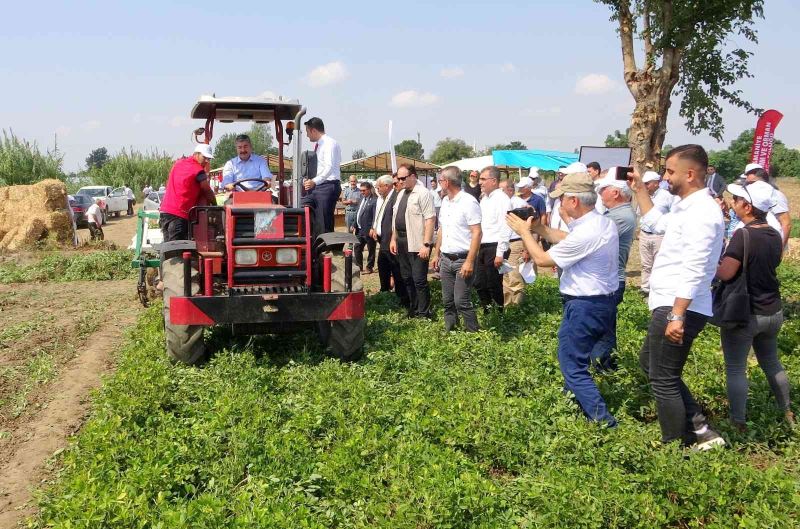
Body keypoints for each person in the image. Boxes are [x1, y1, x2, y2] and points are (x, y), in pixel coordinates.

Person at [630, 144, 726, 449]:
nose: (665, 177)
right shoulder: (686, 207)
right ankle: (698, 426)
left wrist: (677, 313)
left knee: (664, 378)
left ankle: (677, 445)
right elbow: (655, 223)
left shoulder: (702, 212)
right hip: (672, 302)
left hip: (678, 304)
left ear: (691, 173)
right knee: (651, 363)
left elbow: (696, 265)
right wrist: (639, 191)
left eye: (670, 171)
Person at [506, 171, 619, 426]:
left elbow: (543, 260)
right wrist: (539, 228)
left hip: (584, 306)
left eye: (562, 198)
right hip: (602, 303)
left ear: (574, 201)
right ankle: (574, 406)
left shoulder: (587, 231)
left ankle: (604, 421)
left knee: (573, 365)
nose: (560, 203)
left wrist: (525, 233)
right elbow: (568, 239)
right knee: (584, 359)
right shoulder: (601, 223)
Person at [716, 181, 793, 431]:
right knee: (772, 363)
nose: (733, 203)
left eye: (737, 200)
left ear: (747, 207)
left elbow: (726, 274)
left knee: (736, 368)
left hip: (745, 314)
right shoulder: (773, 232)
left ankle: (738, 422)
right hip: (773, 311)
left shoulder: (743, 234)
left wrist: (709, 266)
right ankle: (787, 412)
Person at [591, 169, 637, 371]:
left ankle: (605, 371)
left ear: (616, 193)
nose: (600, 194)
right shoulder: (616, 214)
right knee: (602, 329)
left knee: (602, 332)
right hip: (606, 280)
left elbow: (590, 239)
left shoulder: (620, 217)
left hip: (609, 282)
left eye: (603, 190)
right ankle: (605, 369)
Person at [431, 166, 482, 332]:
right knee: (448, 301)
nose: (439, 184)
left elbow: (477, 233)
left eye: (440, 180)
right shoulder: (445, 202)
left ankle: (474, 335)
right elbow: (442, 230)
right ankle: (451, 331)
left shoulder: (468, 202)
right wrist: (436, 253)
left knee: (461, 300)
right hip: (446, 259)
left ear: (446, 182)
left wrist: (469, 261)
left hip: (462, 259)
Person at [390, 164, 436, 318]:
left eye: (403, 178)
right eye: (399, 178)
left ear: (413, 176)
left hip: (417, 243)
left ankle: (424, 312)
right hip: (402, 240)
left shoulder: (423, 193)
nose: (400, 181)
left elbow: (430, 219)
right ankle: (414, 308)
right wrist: (393, 239)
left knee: (419, 280)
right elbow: (396, 219)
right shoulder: (401, 193)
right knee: (407, 278)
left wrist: (426, 244)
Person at [159, 144, 217, 242]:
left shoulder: (178, 163)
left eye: (209, 159)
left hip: (165, 211)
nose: (207, 161)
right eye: (205, 157)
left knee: (167, 247)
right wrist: (215, 205)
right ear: (197, 154)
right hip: (179, 214)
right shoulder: (198, 170)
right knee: (177, 249)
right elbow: (206, 190)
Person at [475, 166, 511, 312]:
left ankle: (499, 314)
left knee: (493, 283)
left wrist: (500, 253)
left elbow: (505, 227)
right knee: (479, 282)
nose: (480, 182)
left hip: (494, 246)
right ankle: (487, 311)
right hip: (482, 246)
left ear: (494, 181)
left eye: (483, 179)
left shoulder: (502, 199)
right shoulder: (484, 199)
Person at [371, 174, 409, 307]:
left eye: (379, 187)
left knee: (396, 269)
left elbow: (394, 221)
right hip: (383, 240)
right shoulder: (385, 198)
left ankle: (401, 297)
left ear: (386, 186)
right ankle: (385, 291)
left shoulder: (395, 197)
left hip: (390, 241)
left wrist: (392, 238)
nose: (378, 189)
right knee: (382, 265)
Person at [302, 117, 342, 233]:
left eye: (307, 132)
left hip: (327, 186)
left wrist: (314, 181)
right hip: (318, 186)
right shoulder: (320, 145)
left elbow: (329, 167)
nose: (307, 136)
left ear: (313, 130)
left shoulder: (329, 144)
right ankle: (312, 244)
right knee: (303, 209)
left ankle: (326, 249)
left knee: (324, 221)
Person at [639, 170, 675, 295]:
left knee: (658, 263)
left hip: (659, 235)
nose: (646, 186)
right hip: (645, 233)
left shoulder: (667, 196)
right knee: (645, 263)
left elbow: (673, 214)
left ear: (656, 183)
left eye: (648, 184)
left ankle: (657, 288)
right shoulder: (644, 195)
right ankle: (645, 288)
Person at [745, 166, 791, 248]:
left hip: (770, 244)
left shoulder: (776, 195)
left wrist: (780, 249)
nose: (748, 186)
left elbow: (786, 223)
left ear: (764, 182)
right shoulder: (747, 196)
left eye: (751, 183)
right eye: (747, 183)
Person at [500, 179, 529, 306]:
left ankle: (517, 307)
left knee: (514, 276)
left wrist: (526, 248)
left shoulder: (519, 204)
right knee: (505, 276)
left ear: (511, 190)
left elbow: (527, 228)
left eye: (502, 190)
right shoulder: (501, 203)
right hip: (504, 243)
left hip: (516, 243)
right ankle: (508, 305)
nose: (499, 193)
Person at [353, 181, 376, 274]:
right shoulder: (361, 199)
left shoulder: (375, 200)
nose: (362, 192)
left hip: (368, 229)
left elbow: (375, 216)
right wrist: (354, 225)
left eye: (364, 190)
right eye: (361, 190)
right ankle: (359, 266)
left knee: (371, 249)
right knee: (357, 248)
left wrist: (373, 228)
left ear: (369, 189)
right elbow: (358, 213)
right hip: (359, 230)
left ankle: (369, 267)